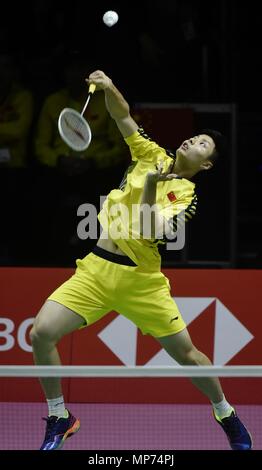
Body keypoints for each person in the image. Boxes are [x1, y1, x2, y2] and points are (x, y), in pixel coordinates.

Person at [30, 70, 252, 451]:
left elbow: (150, 228)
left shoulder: (187, 196)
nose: (191, 141)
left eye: (201, 144)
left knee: (189, 356)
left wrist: (152, 185)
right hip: (96, 270)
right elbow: (123, 117)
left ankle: (225, 412)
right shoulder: (152, 154)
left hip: (141, 282)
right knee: (41, 334)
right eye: (194, 137)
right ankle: (59, 416)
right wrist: (107, 86)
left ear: (207, 164)